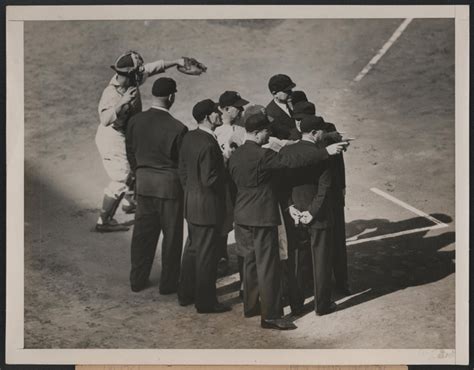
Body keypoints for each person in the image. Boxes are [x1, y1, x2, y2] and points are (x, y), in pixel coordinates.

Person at [228, 111, 347, 330]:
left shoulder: (235, 155)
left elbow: (230, 186)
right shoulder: (263, 155)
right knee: (268, 266)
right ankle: (271, 315)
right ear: (257, 132)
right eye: (266, 131)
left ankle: (250, 306)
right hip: (262, 216)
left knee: (250, 262)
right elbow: (291, 159)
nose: (268, 135)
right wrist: (325, 152)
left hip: (241, 214)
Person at [95, 50, 186, 232]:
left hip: (126, 133)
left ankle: (129, 203)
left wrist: (177, 61)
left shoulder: (131, 78)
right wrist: (122, 102)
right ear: (128, 74)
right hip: (112, 137)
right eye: (137, 72)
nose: (141, 74)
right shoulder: (111, 93)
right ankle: (104, 220)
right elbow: (105, 120)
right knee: (121, 177)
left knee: (135, 165)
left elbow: (152, 68)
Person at [126, 77, 188, 294]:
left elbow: (130, 153)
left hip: (144, 185)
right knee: (171, 238)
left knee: (142, 235)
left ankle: (137, 280)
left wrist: (139, 174)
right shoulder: (178, 128)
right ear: (171, 97)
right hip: (170, 189)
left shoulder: (135, 121)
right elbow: (183, 165)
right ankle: (168, 284)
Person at [280, 115, 338, 315]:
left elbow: (283, 185)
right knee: (321, 261)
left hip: (295, 214)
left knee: (297, 261)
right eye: (322, 131)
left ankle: (296, 305)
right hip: (318, 215)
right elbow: (324, 188)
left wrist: (291, 208)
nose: (324, 134)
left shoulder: (287, 152)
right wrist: (312, 212)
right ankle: (322, 305)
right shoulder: (323, 155)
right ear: (314, 133)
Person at [178, 99, 232, 314]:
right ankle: (206, 302)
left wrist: (191, 192)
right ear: (207, 117)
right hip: (208, 208)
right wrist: (227, 166)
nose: (219, 115)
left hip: (192, 205)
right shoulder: (209, 144)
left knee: (192, 250)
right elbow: (211, 180)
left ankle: (185, 294)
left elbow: (182, 171)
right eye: (215, 113)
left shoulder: (189, 137)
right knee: (207, 256)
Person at [214, 91, 249, 272]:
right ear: (226, 109)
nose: (242, 110)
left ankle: (237, 255)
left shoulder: (241, 129)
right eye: (238, 107)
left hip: (238, 181)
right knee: (223, 219)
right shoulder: (215, 130)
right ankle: (221, 255)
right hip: (223, 182)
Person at [265, 74, 297, 140]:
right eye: (286, 91)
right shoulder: (269, 113)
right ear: (274, 93)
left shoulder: (295, 103)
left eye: (290, 89)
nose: (291, 92)